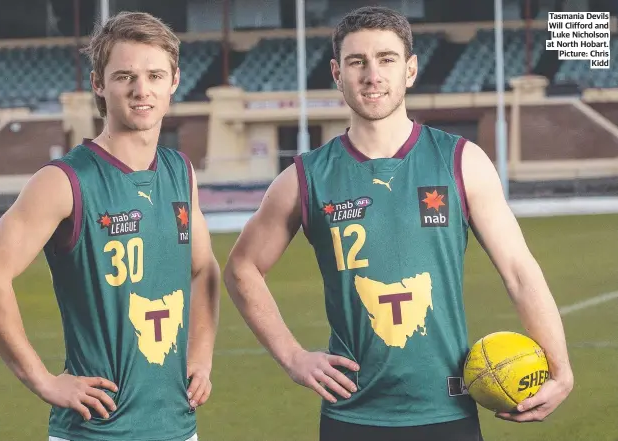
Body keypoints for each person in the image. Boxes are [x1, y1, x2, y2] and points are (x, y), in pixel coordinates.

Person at [224, 6, 573, 441]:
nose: (372, 75)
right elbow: (242, 267)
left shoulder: (461, 162)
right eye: (357, 62)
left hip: (447, 409)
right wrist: (293, 356)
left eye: (386, 59)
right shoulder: (304, 177)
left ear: (409, 70)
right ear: (337, 73)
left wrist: (560, 368)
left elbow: (520, 273)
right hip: (352, 415)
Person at [0, 11, 220, 441]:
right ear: (99, 84)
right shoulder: (64, 180)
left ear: (174, 81)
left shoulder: (180, 172)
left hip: (178, 426)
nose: (142, 90)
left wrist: (202, 354)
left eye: (155, 75)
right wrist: (43, 380)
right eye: (125, 76)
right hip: (95, 432)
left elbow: (204, 267)